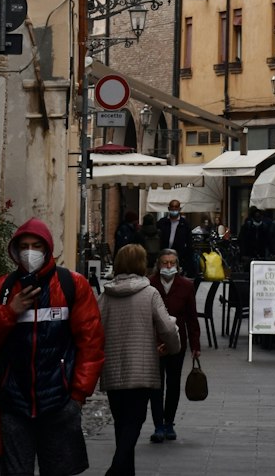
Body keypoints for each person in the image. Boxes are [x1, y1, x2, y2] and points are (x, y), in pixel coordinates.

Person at [0, 217, 104, 476]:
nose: (30, 252)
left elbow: (91, 344)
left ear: (48, 249)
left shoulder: (71, 285)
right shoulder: (2, 289)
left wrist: (77, 396)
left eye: (36, 246)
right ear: (16, 250)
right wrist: (9, 312)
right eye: (24, 246)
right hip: (15, 403)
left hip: (59, 401)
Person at [99, 243, 181, 476]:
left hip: (113, 368)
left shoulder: (105, 296)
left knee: (121, 422)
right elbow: (166, 327)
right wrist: (174, 347)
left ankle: (126, 471)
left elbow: (94, 330)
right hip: (142, 367)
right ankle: (116, 469)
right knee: (135, 420)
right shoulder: (150, 293)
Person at [148, 247, 201, 442]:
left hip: (178, 342)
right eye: (165, 263)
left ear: (177, 265)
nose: (168, 266)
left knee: (173, 383)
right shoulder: (150, 284)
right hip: (155, 342)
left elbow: (192, 318)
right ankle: (158, 425)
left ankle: (169, 422)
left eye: (172, 263)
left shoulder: (185, 286)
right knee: (156, 385)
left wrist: (196, 346)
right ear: (159, 265)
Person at [158, 198, 194, 277]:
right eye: (172, 207)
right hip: (163, 254)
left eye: (176, 207)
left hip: (179, 256)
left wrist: (187, 260)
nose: (174, 209)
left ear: (179, 209)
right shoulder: (162, 222)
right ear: (168, 208)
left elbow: (189, 242)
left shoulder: (184, 224)